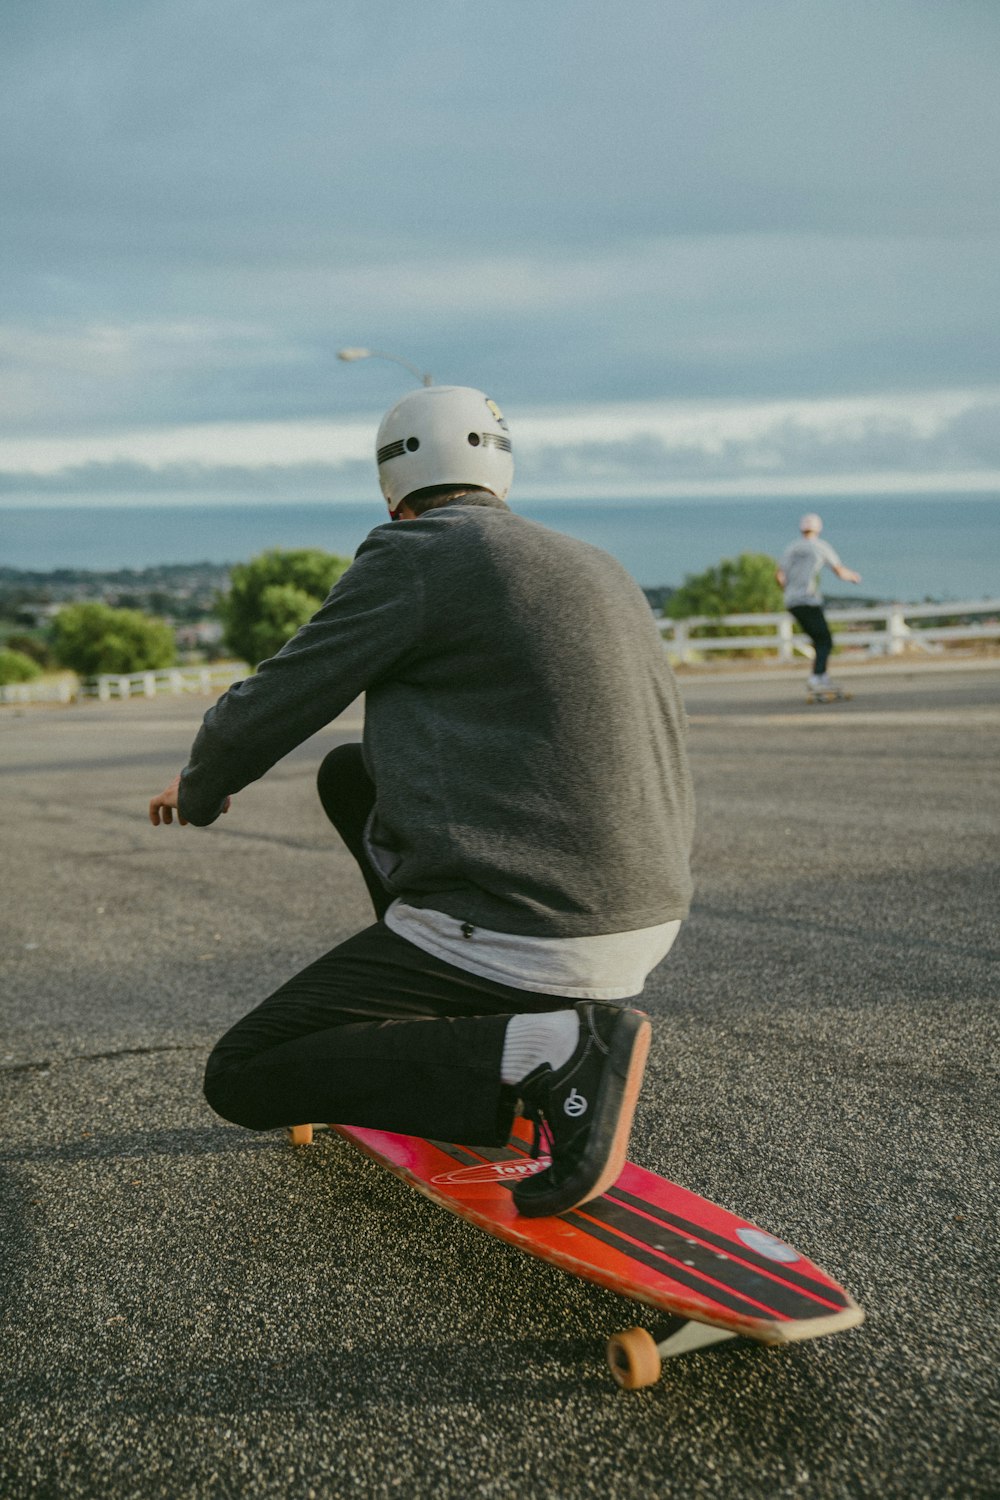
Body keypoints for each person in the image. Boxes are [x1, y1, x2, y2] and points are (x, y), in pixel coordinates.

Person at [149, 385, 694, 1218]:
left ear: (388, 487)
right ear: (502, 471)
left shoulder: (417, 555)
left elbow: (280, 695)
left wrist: (200, 787)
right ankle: (498, 1018)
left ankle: (548, 1049)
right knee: (349, 774)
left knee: (245, 1072)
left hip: (536, 928)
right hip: (642, 914)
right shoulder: (596, 563)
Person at [776, 513, 861, 692]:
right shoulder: (820, 546)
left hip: (792, 602)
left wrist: (790, 590)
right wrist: (853, 577)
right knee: (825, 641)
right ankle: (817, 678)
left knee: (818, 640)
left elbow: (779, 576)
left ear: (801, 528)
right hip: (808, 600)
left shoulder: (792, 548)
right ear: (818, 528)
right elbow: (839, 570)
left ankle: (821, 676)